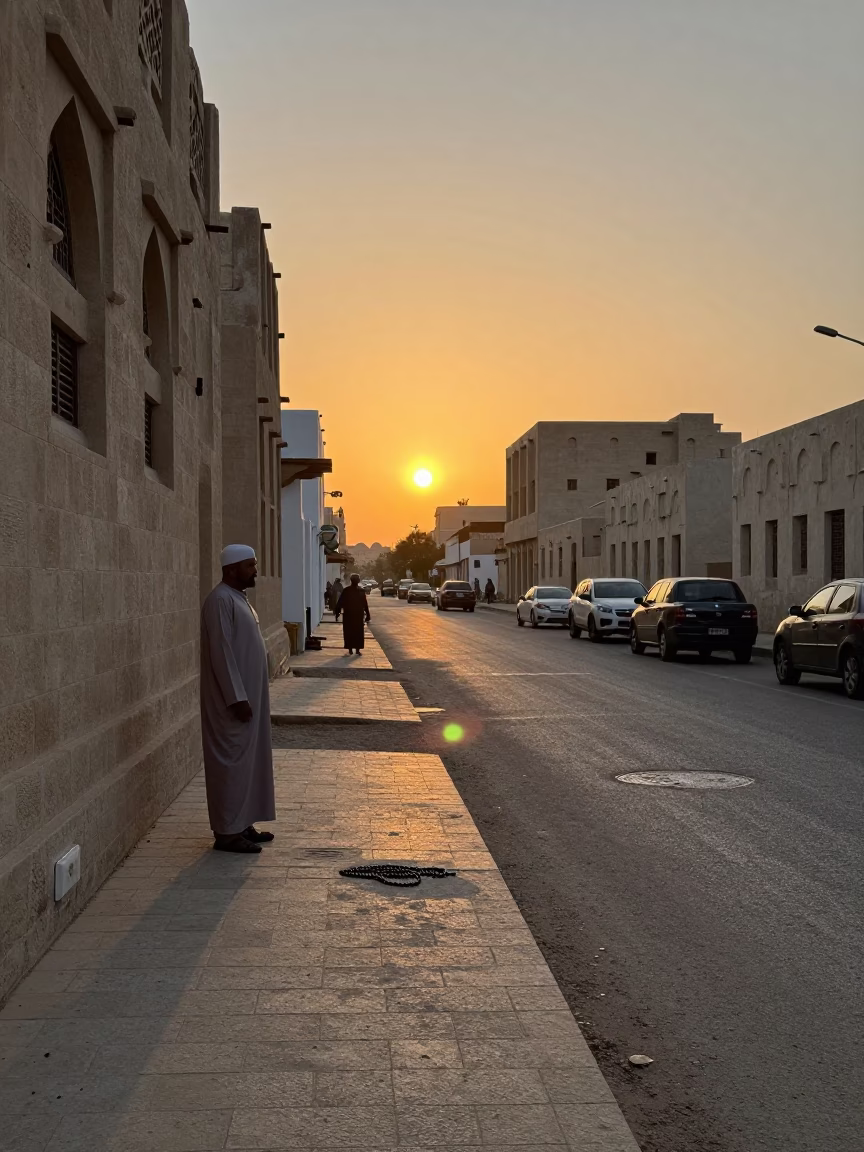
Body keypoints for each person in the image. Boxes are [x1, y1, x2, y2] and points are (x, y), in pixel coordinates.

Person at [200, 545, 275, 854]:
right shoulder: (219, 600)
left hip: (248, 699)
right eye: (249, 566)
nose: (255, 570)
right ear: (231, 569)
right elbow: (222, 652)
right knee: (230, 765)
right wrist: (236, 698)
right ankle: (227, 833)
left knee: (247, 763)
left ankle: (242, 824)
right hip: (232, 704)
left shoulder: (238, 598)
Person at [335, 573, 371, 655]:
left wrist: (337, 613)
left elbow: (365, 604)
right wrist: (368, 615)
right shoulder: (350, 591)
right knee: (353, 632)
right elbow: (340, 602)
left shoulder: (353, 590)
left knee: (354, 632)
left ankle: (354, 649)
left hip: (354, 615)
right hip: (352, 615)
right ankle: (353, 649)